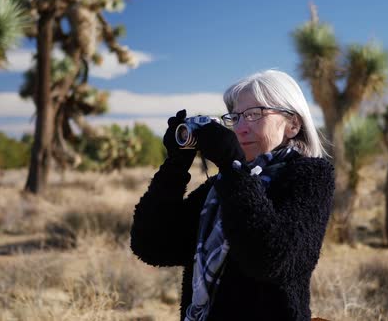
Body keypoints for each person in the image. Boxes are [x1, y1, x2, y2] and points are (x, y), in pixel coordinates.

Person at [130, 69, 335, 321]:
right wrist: (176, 164)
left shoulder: (311, 175)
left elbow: (270, 259)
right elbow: (152, 246)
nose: (240, 128)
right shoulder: (222, 185)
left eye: (254, 115)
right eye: (235, 117)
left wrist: (233, 167)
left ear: (293, 124)